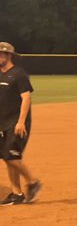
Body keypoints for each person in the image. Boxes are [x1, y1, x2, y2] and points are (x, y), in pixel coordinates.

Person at [0, 41, 42, 205]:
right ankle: (16, 193)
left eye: (1, 54)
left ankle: (33, 182)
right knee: (6, 157)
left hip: (16, 121)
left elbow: (26, 98)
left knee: (11, 155)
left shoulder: (19, 74)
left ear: (8, 55)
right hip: (2, 121)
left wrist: (21, 122)